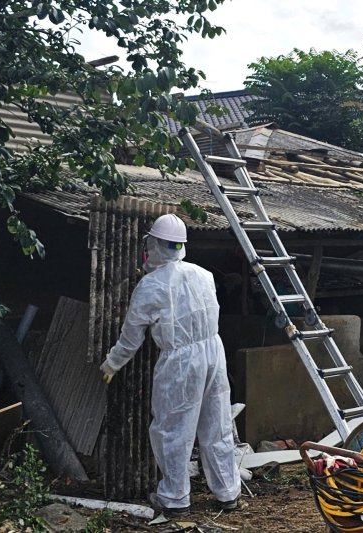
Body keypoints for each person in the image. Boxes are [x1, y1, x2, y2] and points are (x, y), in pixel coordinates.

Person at [99, 213, 241, 517]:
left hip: (181, 361)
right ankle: (228, 493)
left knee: (173, 428)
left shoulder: (150, 286)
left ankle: (175, 498)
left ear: (154, 244)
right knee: (217, 426)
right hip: (214, 353)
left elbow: (130, 338)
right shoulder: (204, 275)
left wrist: (112, 364)